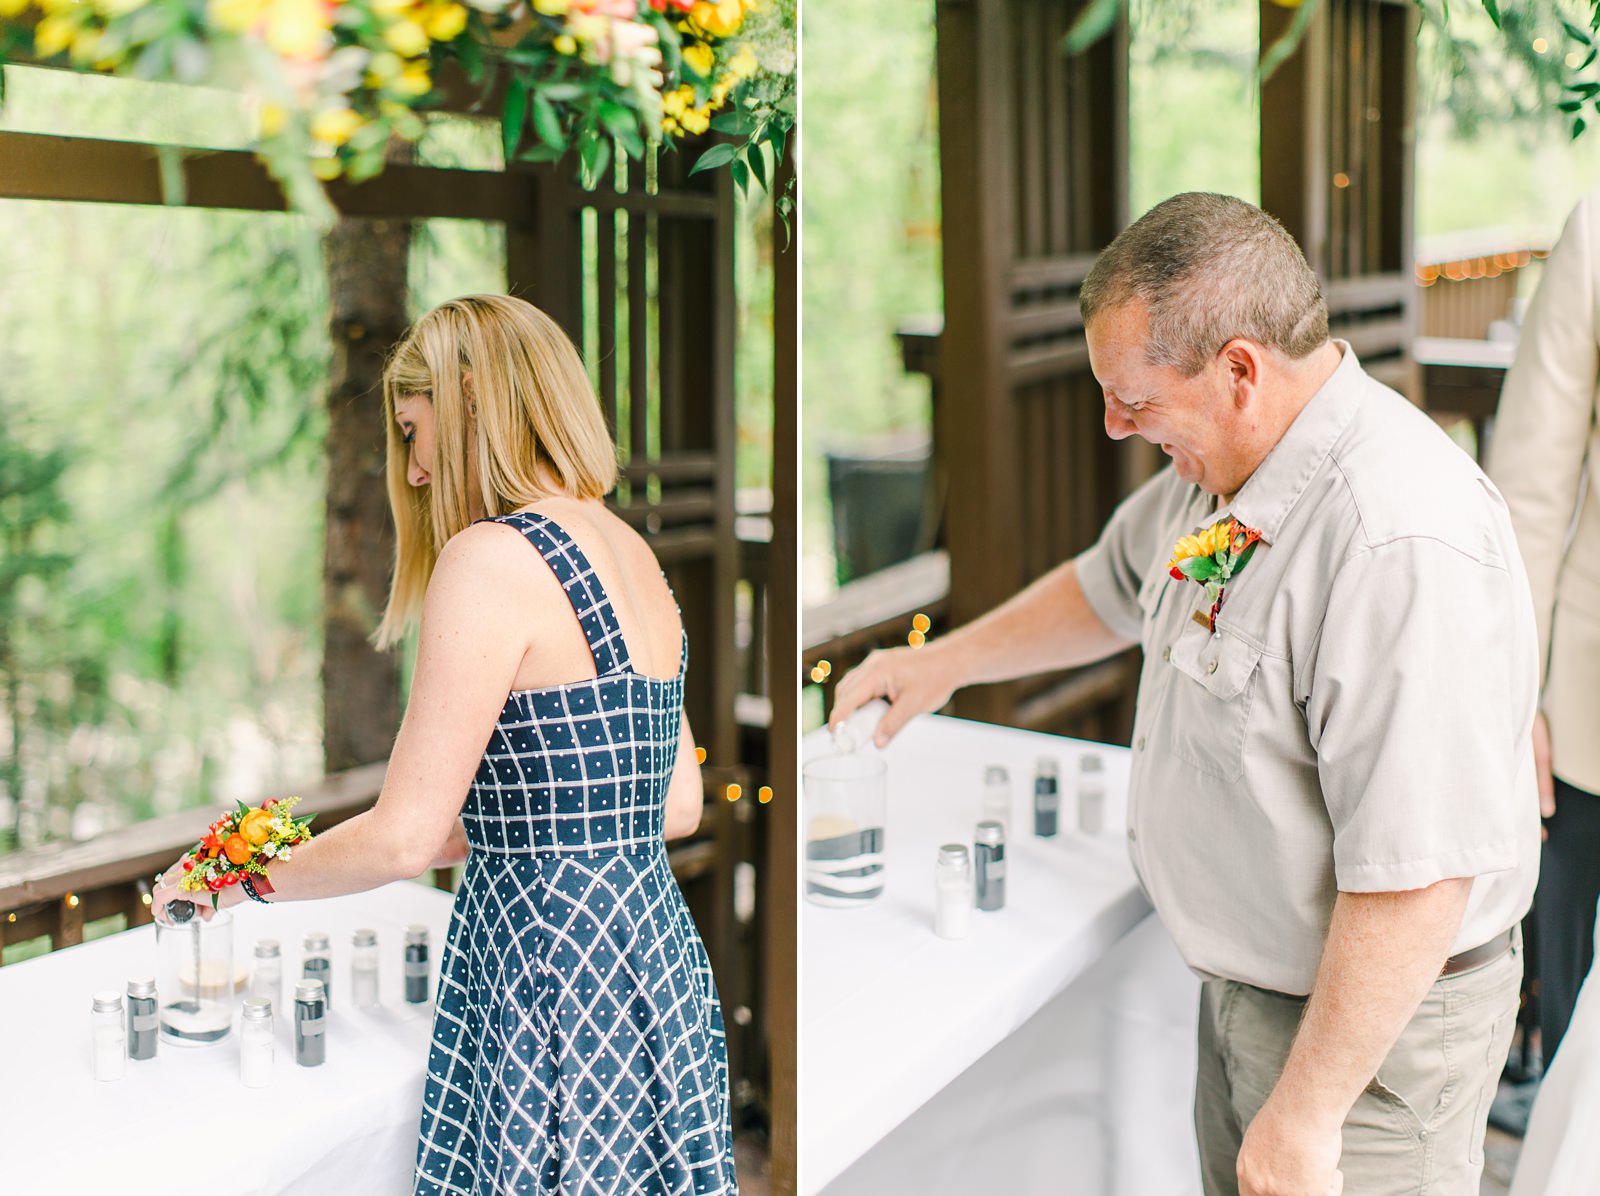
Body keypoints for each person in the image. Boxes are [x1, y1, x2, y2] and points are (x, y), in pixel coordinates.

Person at [829, 193, 1540, 1196]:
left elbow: (1416, 875)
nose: (1115, 425)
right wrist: (943, 660)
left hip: (1371, 1044)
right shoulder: (1230, 478)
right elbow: (1114, 583)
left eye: (1134, 398)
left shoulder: (1395, 536)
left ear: (1240, 368)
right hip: (1251, 1000)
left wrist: (1304, 1113)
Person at [152, 294, 738, 1196]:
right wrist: (506, 820)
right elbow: (673, 803)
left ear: (471, 398)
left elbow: (405, 838)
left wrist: (231, 877)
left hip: (544, 976)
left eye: (413, 431)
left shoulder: (495, 559)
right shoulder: (631, 549)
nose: (415, 472)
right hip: (652, 964)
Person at [1488, 190, 1600, 1196]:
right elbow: (1529, 485)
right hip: (1590, 731)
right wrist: (1513, 690)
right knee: (1577, 1051)